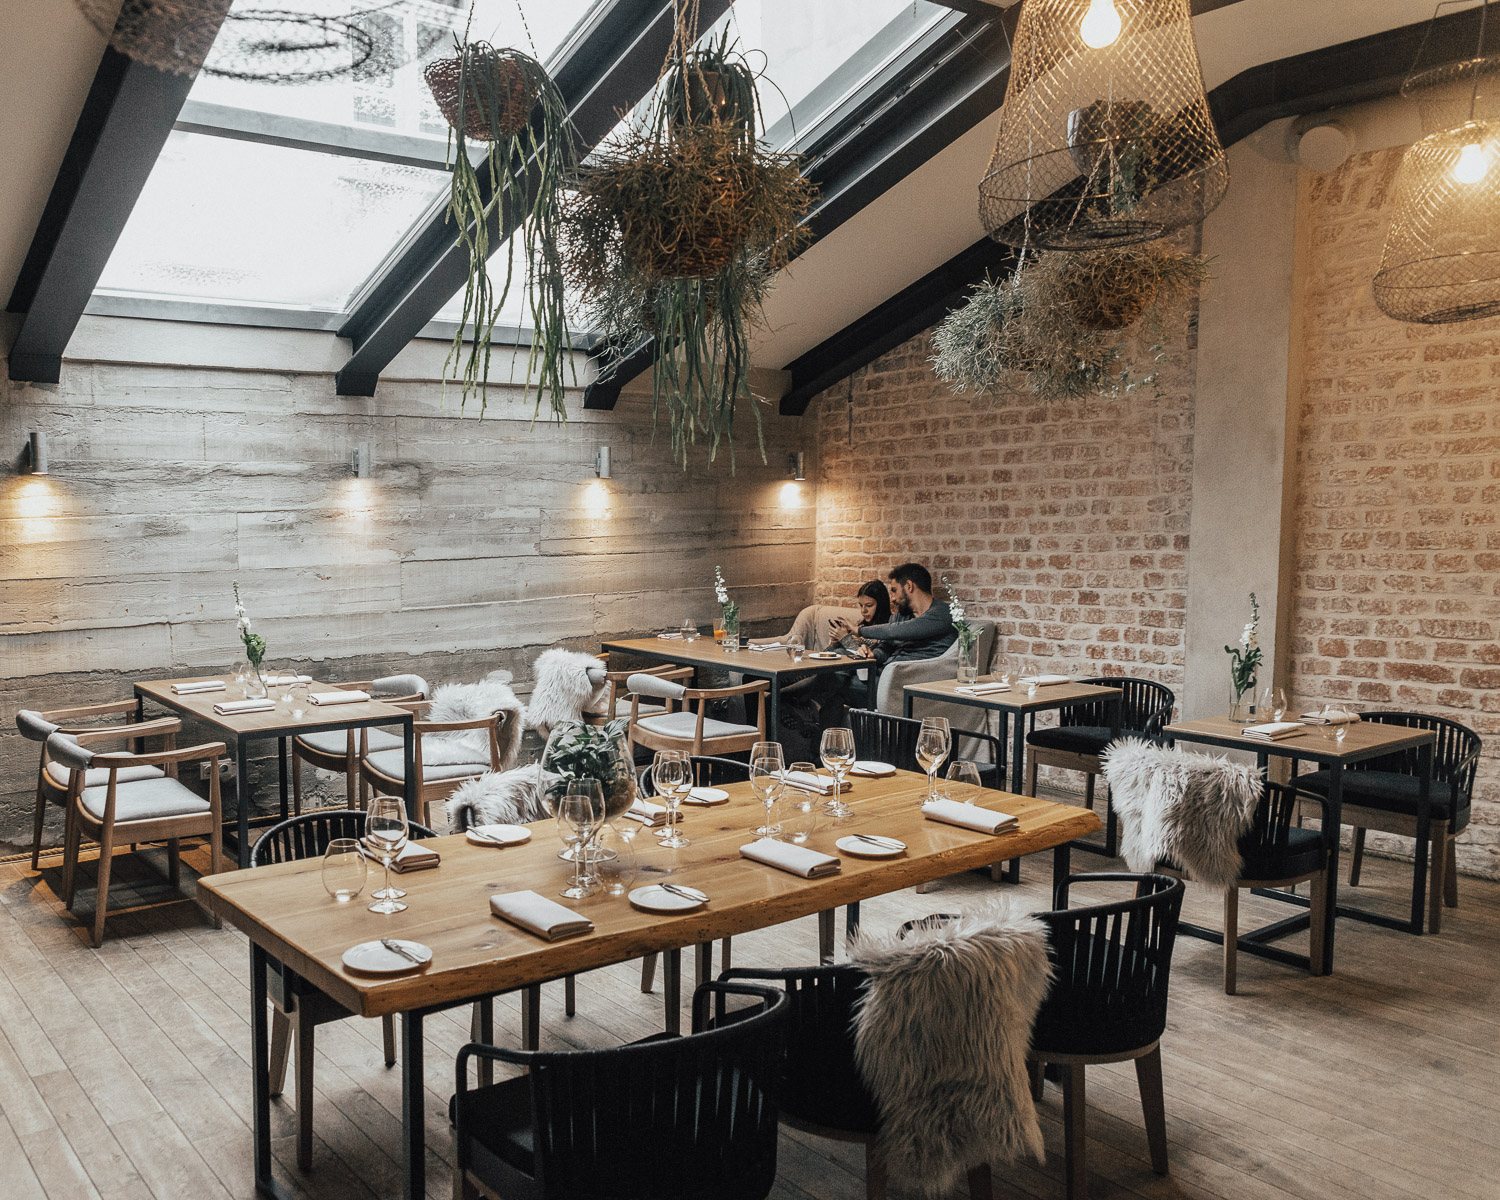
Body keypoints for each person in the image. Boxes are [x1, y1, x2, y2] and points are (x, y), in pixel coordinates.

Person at [832, 562, 956, 667]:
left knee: (835, 677)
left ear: (909, 586)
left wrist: (859, 630)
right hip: (885, 672)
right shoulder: (900, 616)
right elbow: (886, 646)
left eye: (894, 590)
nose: (892, 599)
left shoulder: (943, 612)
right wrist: (874, 654)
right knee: (840, 655)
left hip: (907, 676)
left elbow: (899, 630)